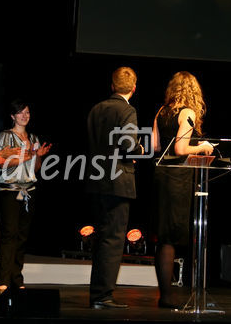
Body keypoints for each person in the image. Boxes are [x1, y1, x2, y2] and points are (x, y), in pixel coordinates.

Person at [152, 71, 213, 308]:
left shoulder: (161, 111)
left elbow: (156, 145)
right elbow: (180, 148)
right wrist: (203, 147)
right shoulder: (187, 112)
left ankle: (165, 294)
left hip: (161, 175)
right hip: (177, 177)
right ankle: (167, 297)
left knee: (164, 236)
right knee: (170, 237)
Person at [86, 67, 144, 309]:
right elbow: (129, 146)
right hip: (118, 182)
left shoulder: (96, 109)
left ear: (112, 86)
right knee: (113, 239)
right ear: (133, 88)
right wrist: (140, 150)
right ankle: (102, 296)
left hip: (96, 179)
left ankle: (98, 293)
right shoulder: (127, 110)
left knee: (101, 238)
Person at [0, 99, 51, 293]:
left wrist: (38, 155)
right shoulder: (6, 136)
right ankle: (3, 280)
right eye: (20, 112)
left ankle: (16, 278)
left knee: (22, 236)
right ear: (12, 116)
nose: (24, 116)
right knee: (9, 234)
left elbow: (37, 168)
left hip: (29, 190)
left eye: (27, 112)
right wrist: (27, 155)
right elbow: (1, 162)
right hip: (10, 189)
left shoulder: (32, 137)